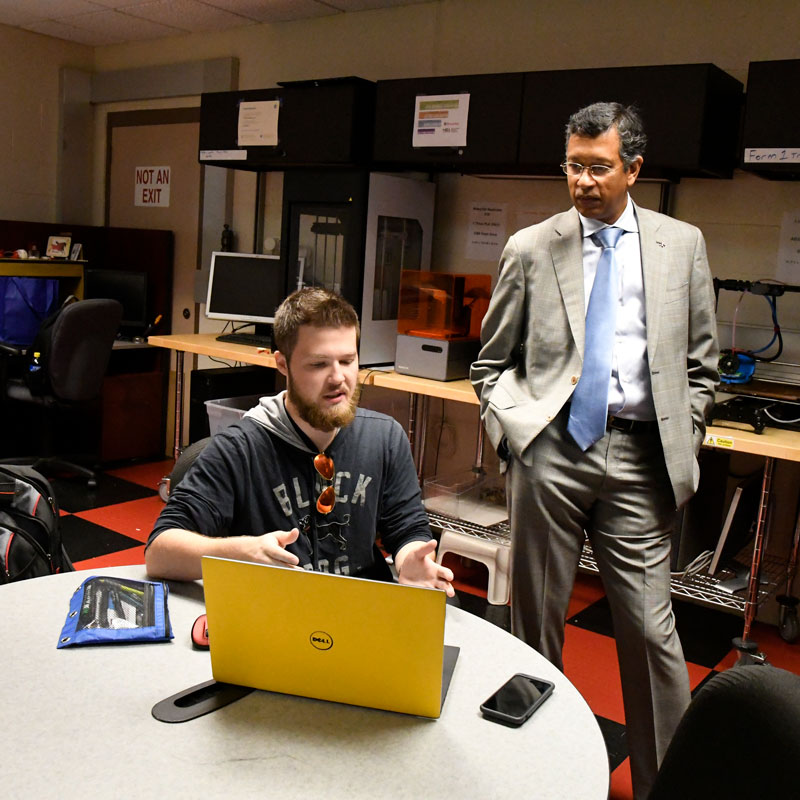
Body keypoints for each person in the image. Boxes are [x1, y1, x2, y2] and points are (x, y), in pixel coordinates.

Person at [470, 102, 719, 799]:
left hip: (642, 460)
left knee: (649, 633)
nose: (581, 180)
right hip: (551, 451)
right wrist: (514, 438)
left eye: (598, 167)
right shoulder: (530, 246)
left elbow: (702, 365)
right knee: (534, 622)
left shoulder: (683, 245)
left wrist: (687, 433)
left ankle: (662, 786)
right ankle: (533, 777)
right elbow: (491, 365)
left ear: (633, 168)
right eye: (572, 166)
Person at [146, 287, 454, 598]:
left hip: (363, 615)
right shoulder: (239, 450)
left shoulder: (385, 438)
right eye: (319, 365)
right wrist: (241, 552)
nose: (338, 378)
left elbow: (407, 530)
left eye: (347, 360)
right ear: (282, 364)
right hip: (275, 616)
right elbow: (159, 552)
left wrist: (410, 560)